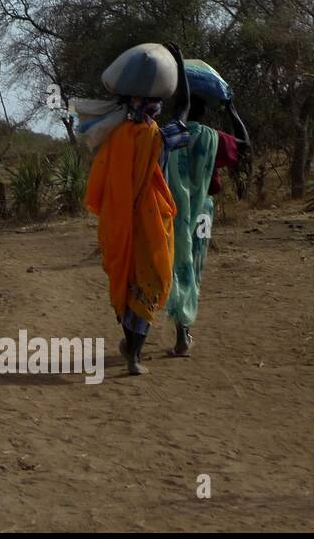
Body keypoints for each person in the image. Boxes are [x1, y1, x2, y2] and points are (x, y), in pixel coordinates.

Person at [84, 43, 188, 375]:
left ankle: (131, 350)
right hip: (152, 222)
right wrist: (180, 65)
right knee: (150, 281)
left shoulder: (114, 138)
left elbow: (98, 185)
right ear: (153, 108)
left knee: (124, 282)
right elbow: (184, 110)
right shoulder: (159, 136)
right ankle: (134, 356)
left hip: (118, 222)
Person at [164, 93, 250, 356]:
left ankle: (179, 331)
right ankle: (184, 331)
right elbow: (245, 144)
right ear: (203, 115)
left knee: (175, 264)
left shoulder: (168, 134)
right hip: (203, 211)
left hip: (173, 210)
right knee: (194, 265)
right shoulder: (213, 137)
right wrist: (232, 110)